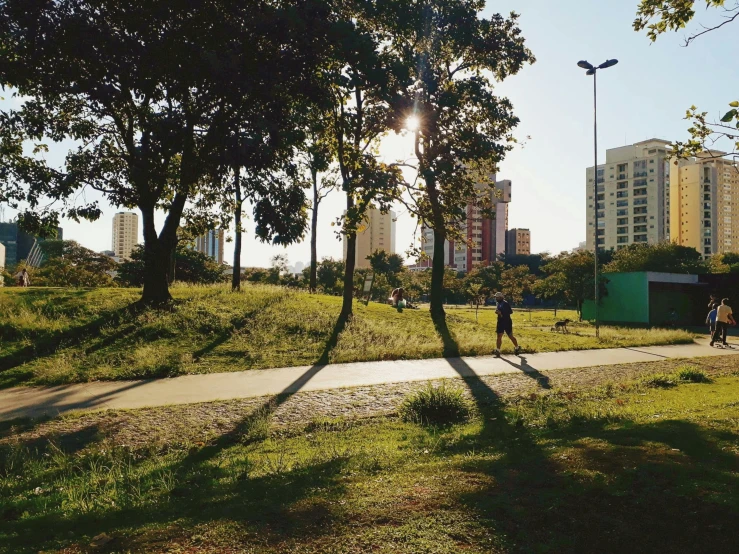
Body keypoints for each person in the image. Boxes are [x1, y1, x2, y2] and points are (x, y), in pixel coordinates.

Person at [493, 291, 521, 356]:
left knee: (510, 336)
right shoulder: (498, 303)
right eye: (495, 297)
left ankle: (517, 347)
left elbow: (510, 312)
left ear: (500, 297)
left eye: (497, 297)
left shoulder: (505, 303)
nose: (496, 299)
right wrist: (497, 312)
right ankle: (498, 350)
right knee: (499, 336)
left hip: (507, 321)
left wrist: (501, 313)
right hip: (500, 321)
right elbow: (498, 310)